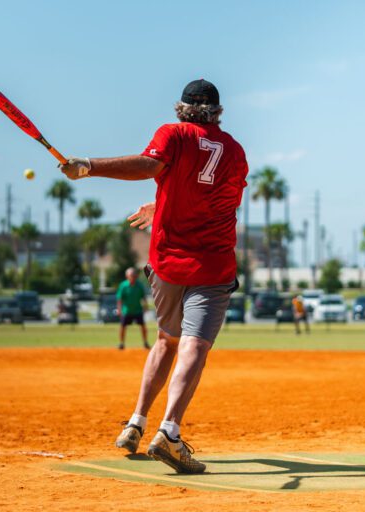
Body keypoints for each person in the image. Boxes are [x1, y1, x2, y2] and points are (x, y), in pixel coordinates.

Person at [59, 78, 247, 474]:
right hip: (211, 264)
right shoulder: (234, 151)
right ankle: (170, 433)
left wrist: (89, 166)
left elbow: (150, 166)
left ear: (181, 108)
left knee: (167, 340)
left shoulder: (173, 134)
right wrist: (162, 201)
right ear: (217, 112)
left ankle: (136, 422)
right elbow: (217, 201)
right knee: (194, 344)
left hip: (167, 262)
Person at [116, 268, 150, 350]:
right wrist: (119, 310)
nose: (133, 277)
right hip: (126, 310)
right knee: (123, 327)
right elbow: (119, 299)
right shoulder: (123, 286)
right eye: (131, 275)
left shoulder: (139, 285)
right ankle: (121, 343)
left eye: (135, 275)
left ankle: (145, 343)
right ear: (127, 276)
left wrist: (145, 307)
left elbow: (144, 297)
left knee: (143, 326)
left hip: (137, 310)